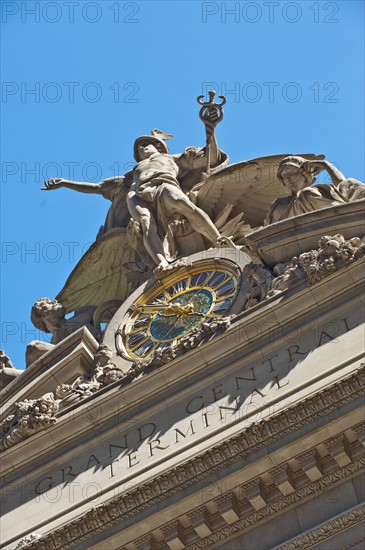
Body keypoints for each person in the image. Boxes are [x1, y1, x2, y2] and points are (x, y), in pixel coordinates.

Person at [43, 131, 229, 269]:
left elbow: (210, 158)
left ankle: (218, 239)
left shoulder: (174, 158)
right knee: (146, 224)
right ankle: (163, 264)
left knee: (184, 205)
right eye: (139, 149)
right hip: (137, 192)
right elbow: (98, 187)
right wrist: (66, 183)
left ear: (158, 147)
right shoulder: (131, 174)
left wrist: (210, 129)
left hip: (163, 184)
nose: (141, 149)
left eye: (145, 145)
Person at [265, 156, 365, 224]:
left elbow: (345, 187)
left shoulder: (315, 193)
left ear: (304, 174)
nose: (287, 178)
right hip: (288, 244)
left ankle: (348, 212)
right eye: (284, 175)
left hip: (338, 226)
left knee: (352, 183)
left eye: (292, 172)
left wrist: (326, 166)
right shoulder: (277, 204)